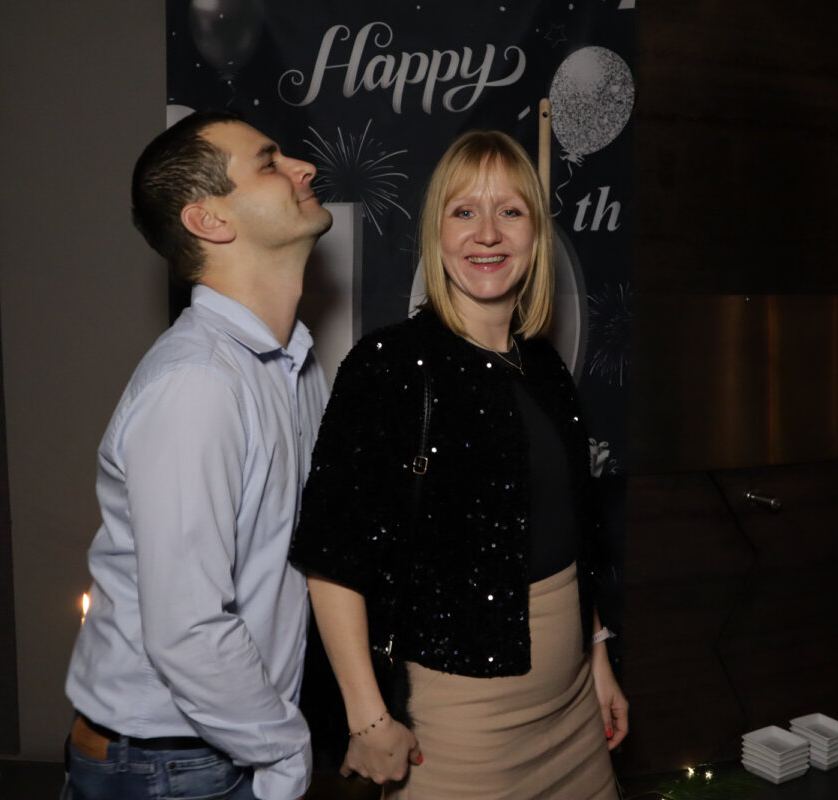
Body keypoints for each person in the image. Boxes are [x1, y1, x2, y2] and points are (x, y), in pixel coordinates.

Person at [290, 130, 628, 799]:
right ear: (437, 233)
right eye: (465, 211)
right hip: (461, 726)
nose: (488, 234)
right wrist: (368, 717)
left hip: (573, 711)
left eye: (511, 211)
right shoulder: (388, 367)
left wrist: (598, 658)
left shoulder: (546, 368)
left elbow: (576, 534)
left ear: (536, 235)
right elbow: (332, 559)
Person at [62, 109, 332, 800]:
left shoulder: (295, 365)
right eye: (269, 163)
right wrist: (286, 754)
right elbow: (187, 629)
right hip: (168, 768)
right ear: (208, 220)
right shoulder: (197, 385)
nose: (303, 168)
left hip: (221, 749)